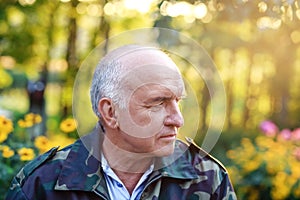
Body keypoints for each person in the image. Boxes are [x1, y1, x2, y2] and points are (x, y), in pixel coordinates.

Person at [6, 45, 237, 200]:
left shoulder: (208, 179)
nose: (178, 119)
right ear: (110, 112)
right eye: (158, 102)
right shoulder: (39, 184)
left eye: (178, 101)